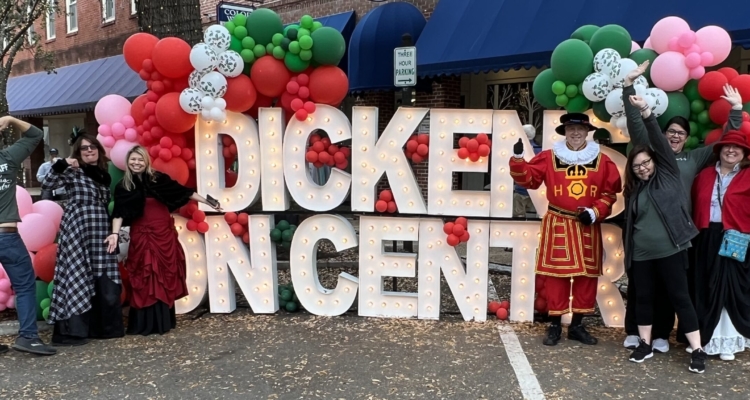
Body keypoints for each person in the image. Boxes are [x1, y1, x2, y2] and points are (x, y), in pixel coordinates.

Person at [620, 62, 743, 352]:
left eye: (681, 133)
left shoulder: (694, 159)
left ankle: (661, 334)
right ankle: (636, 333)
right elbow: (637, 124)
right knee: (642, 287)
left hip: (678, 236)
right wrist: (628, 88)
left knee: (673, 289)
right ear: (663, 135)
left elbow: (728, 143)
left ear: (687, 139)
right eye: (671, 131)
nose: (675, 136)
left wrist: (736, 111)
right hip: (646, 232)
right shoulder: (651, 155)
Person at [509, 113, 622, 346]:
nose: (576, 133)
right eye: (571, 129)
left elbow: (610, 194)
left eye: (580, 129)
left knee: (586, 277)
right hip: (558, 222)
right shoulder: (550, 157)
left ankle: (577, 325)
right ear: (565, 131)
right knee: (555, 276)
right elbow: (529, 180)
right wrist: (518, 158)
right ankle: (554, 325)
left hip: (586, 225)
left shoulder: (603, 161)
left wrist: (596, 211)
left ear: (588, 131)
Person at [622, 93, 707, 373]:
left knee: (681, 298)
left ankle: (697, 349)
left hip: (672, 249)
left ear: (656, 161)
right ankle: (645, 344)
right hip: (643, 254)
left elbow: (657, 140)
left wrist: (646, 111)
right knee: (643, 298)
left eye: (646, 162)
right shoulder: (636, 190)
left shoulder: (668, 171)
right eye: (637, 166)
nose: (643, 167)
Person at [110, 146, 221, 335]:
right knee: (144, 276)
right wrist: (114, 233)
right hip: (142, 235)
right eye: (132, 160)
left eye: (140, 160)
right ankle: (144, 324)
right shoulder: (124, 186)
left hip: (163, 235)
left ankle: (163, 321)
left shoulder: (158, 179)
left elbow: (183, 192)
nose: (136, 163)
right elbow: (119, 213)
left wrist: (208, 202)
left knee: (164, 275)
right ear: (128, 162)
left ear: (146, 161)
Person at [42, 134, 124, 346]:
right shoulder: (72, 171)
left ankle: (103, 328)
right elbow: (48, 184)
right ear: (78, 152)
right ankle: (74, 331)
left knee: (105, 275)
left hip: (100, 231)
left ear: (98, 149)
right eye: (84, 148)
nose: (89, 151)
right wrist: (62, 164)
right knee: (77, 274)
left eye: (93, 147)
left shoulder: (103, 175)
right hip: (78, 229)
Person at [691, 131, 750, 361]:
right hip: (706, 235)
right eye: (727, 146)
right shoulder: (705, 174)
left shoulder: (747, 175)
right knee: (705, 286)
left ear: (744, 153)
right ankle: (704, 338)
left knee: (728, 289)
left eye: (737, 147)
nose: (731, 150)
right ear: (719, 150)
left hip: (736, 237)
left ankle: (727, 342)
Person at [0, 116, 56, 356]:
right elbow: (35, 135)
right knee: (24, 286)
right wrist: (11, 119)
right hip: (6, 234)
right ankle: (28, 337)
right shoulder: (8, 158)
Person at [512, 125, 541, 218]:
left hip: (520, 190)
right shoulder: (540, 150)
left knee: (518, 218)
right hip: (538, 190)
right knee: (539, 217)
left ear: (524, 134)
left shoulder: (517, 151)